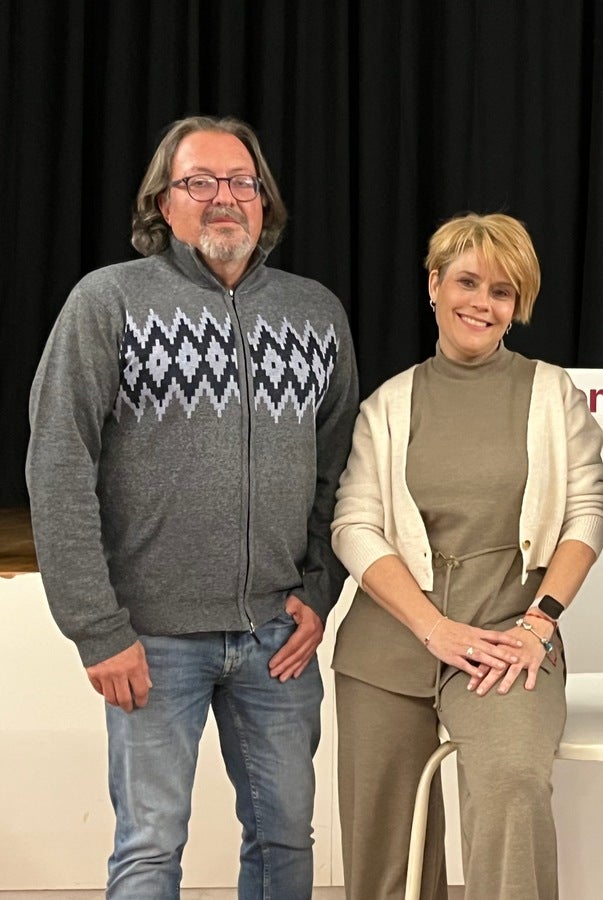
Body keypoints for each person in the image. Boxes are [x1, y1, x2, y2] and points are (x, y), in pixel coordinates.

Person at [25, 115, 359, 897]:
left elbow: (338, 471)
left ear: (265, 205)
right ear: (162, 203)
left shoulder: (316, 314)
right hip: (149, 638)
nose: (224, 200)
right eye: (199, 183)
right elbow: (58, 466)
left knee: (284, 842)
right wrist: (97, 628)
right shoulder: (107, 302)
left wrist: (317, 591)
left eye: (242, 183)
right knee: (149, 848)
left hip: (276, 636)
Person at [330, 212, 603, 900]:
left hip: (508, 640)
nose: (482, 303)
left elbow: (586, 512)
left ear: (518, 307)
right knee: (384, 846)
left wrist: (537, 626)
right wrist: (433, 628)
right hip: (386, 648)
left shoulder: (554, 394)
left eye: (503, 292)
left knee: (511, 787)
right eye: (467, 282)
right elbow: (354, 524)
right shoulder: (387, 405)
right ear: (434, 285)